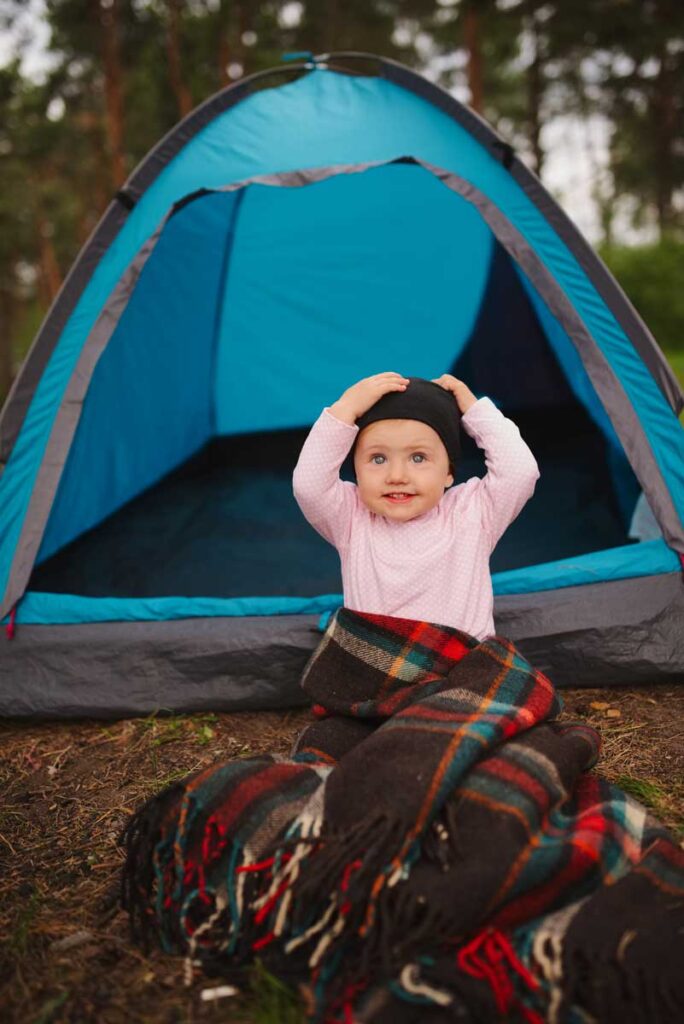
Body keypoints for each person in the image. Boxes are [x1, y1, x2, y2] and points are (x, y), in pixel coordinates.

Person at [292, 372, 539, 640]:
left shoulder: (473, 513)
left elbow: (520, 471)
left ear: (449, 473)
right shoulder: (352, 519)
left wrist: (475, 410)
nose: (397, 476)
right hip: (381, 667)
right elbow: (309, 485)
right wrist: (345, 410)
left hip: (463, 665)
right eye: (377, 459)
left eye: (418, 458)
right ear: (357, 473)